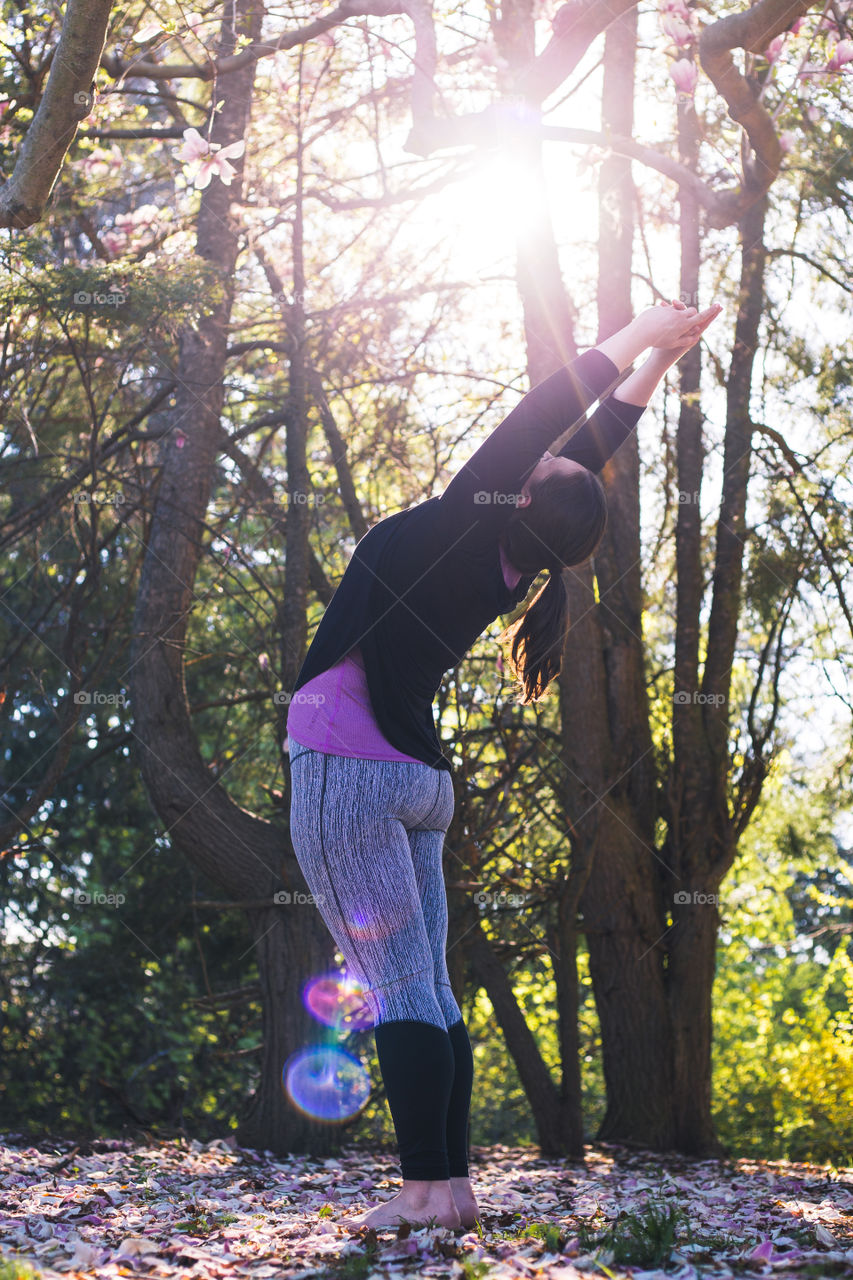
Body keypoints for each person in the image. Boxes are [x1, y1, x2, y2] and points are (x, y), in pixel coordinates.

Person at [286, 298, 722, 1231]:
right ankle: (449, 1192)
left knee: (401, 987)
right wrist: (657, 364)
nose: (539, 453)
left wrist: (642, 333)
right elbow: (591, 442)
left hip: (347, 764)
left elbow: (542, 416)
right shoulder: (506, 556)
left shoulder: (460, 526)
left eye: (541, 465)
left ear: (520, 493)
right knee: (428, 985)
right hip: (416, 784)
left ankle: (419, 1193)